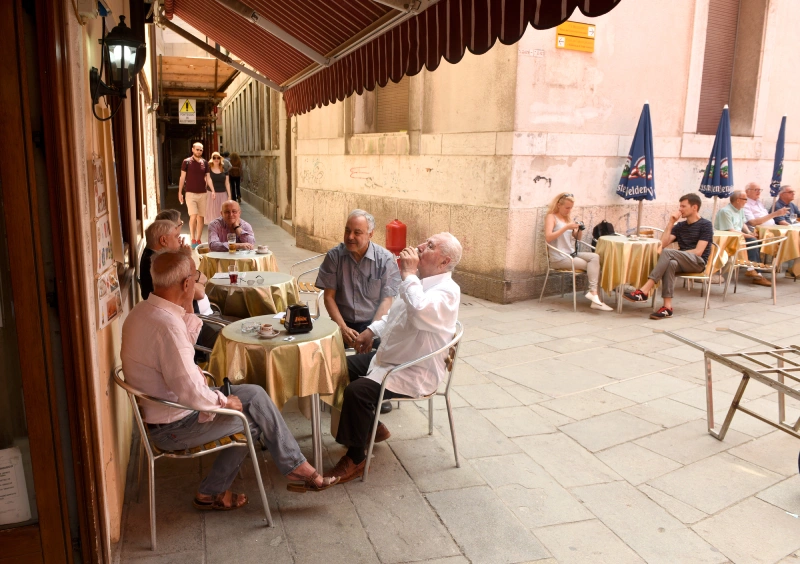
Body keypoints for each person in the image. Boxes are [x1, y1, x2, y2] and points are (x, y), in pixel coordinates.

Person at [122, 251, 339, 506]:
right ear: (185, 284)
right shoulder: (167, 326)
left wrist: (188, 307)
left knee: (256, 394)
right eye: (195, 277)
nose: (197, 281)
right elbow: (191, 393)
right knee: (252, 423)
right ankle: (211, 491)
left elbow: (181, 362)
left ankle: (296, 465)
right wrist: (225, 402)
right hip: (173, 426)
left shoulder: (142, 312)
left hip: (166, 410)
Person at [324, 233, 462, 484]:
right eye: (425, 241)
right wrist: (370, 331)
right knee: (337, 367)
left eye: (429, 246)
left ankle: (355, 457)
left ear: (444, 262)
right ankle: (371, 427)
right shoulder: (420, 280)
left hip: (413, 368)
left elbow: (419, 312)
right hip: (392, 357)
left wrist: (408, 275)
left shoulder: (448, 292)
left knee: (358, 392)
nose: (420, 246)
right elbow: (394, 315)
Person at [315, 209, 402, 413]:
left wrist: (372, 331)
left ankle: (378, 390)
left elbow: (387, 300)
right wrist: (343, 327)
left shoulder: (385, 259)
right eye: (347, 231)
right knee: (316, 347)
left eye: (357, 232)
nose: (350, 237)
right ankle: (333, 389)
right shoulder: (335, 256)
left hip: (373, 321)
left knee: (391, 346)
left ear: (370, 234)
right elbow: (329, 297)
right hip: (341, 320)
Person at [624, 193, 714, 319]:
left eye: (683, 206)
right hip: (682, 262)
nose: (680, 209)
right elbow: (663, 243)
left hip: (697, 262)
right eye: (680, 206)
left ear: (694, 207)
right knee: (671, 262)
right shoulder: (680, 226)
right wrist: (671, 222)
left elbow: (699, 251)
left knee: (668, 253)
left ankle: (645, 290)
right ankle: (667, 307)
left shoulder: (706, 225)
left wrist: (676, 254)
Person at [544, 193, 612, 311]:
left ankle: (594, 295)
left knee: (595, 257)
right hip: (559, 258)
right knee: (593, 267)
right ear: (559, 205)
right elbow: (548, 237)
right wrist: (566, 227)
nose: (569, 210)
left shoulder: (566, 219)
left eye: (571, 208)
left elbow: (577, 238)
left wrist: (578, 230)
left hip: (571, 253)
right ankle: (595, 298)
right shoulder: (551, 217)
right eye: (567, 208)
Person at [714, 190, 771, 287]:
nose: (746, 201)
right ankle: (752, 270)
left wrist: (749, 232)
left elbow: (742, 223)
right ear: (737, 200)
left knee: (756, 240)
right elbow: (730, 230)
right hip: (728, 239)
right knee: (752, 241)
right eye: (745, 199)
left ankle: (754, 270)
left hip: (739, 237)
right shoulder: (725, 211)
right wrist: (747, 236)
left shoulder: (740, 209)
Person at [178, 142, 210, 249]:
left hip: (203, 194)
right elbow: (182, 178)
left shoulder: (205, 163)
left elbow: (208, 178)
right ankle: (192, 238)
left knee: (201, 217)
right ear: (192, 149)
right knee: (193, 215)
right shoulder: (186, 162)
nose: (199, 151)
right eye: (197, 149)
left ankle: (198, 239)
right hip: (190, 193)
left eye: (201, 150)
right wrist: (179, 192)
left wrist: (212, 190)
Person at [204, 152, 231, 226]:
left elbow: (227, 183)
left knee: (222, 213)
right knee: (212, 214)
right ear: (212, 159)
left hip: (222, 194)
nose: (216, 159)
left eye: (218, 158)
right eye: (214, 158)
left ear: (220, 159)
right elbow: (206, 181)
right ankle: (213, 232)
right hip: (211, 195)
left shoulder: (224, 169)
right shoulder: (208, 169)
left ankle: (221, 232)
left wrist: (229, 195)